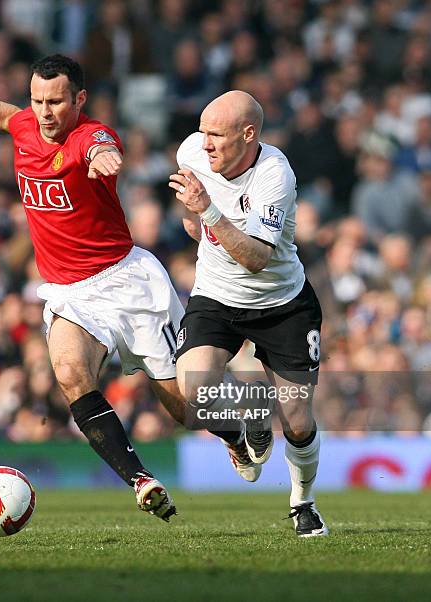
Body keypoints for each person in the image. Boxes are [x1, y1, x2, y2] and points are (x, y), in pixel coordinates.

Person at [0, 55, 200, 521]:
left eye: (56, 102)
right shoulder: (27, 124)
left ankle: (244, 423)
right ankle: (142, 481)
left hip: (127, 281)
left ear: (79, 99)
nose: (45, 112)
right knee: (68, 372)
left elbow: (102, 146)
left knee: (186, 410)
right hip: (70, 291)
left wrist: (105, 157)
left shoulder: (90, 135)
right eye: (38, 100)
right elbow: (5, 116)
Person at [169, 90, 329, 537]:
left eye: (216, 135)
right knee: (193, 391)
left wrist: (207, 211)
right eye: (202, 131)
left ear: (249, 135)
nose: (205, 144)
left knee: (297, 421)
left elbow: (256, 257)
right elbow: (192, 215)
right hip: (217, 297)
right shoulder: (192, 151)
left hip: (282, 303)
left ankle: (303, 503)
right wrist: (196, 221)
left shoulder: (274, 175)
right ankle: (242, 431)